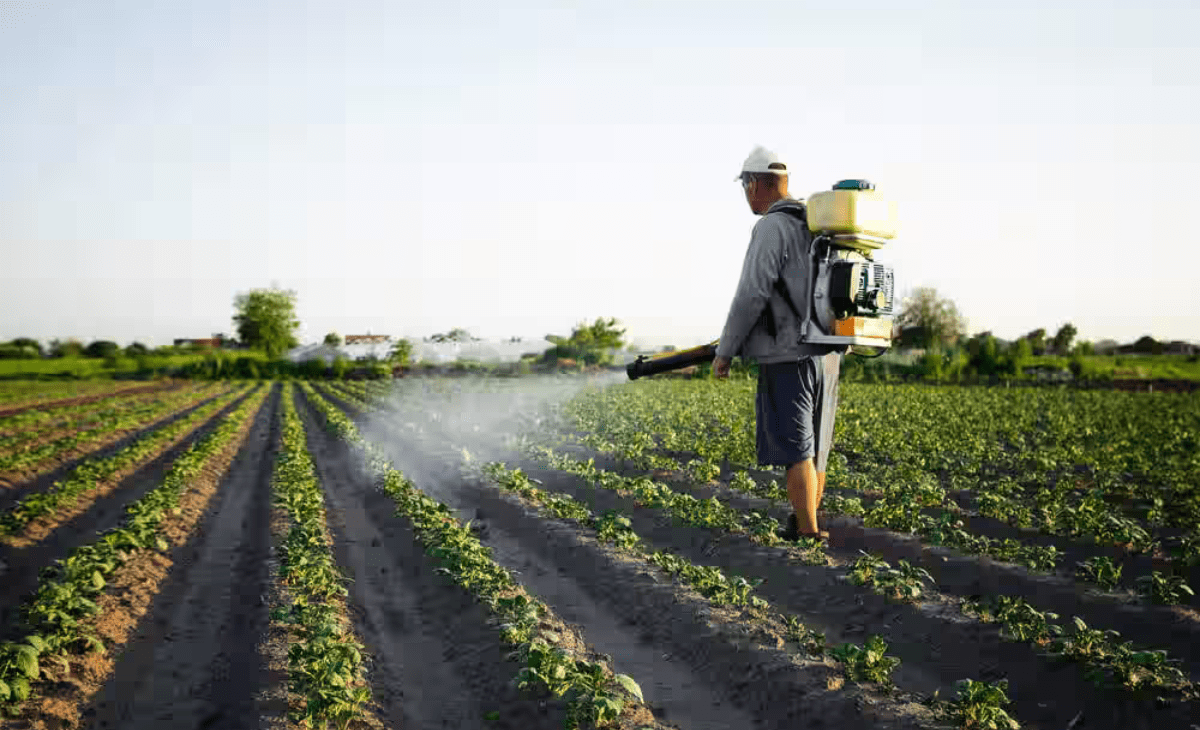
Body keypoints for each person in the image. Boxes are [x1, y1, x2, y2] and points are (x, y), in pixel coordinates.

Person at [712, 146, 846, 541]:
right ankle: (807, 523)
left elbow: (752, 292)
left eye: (745, 186)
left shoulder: (772, 227)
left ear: (756, 183)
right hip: (827, 353)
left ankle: (807, 531)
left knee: (795, 446)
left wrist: (726, 349)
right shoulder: (816, 223)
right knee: (816, 445)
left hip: (789, 352)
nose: (746, 195)